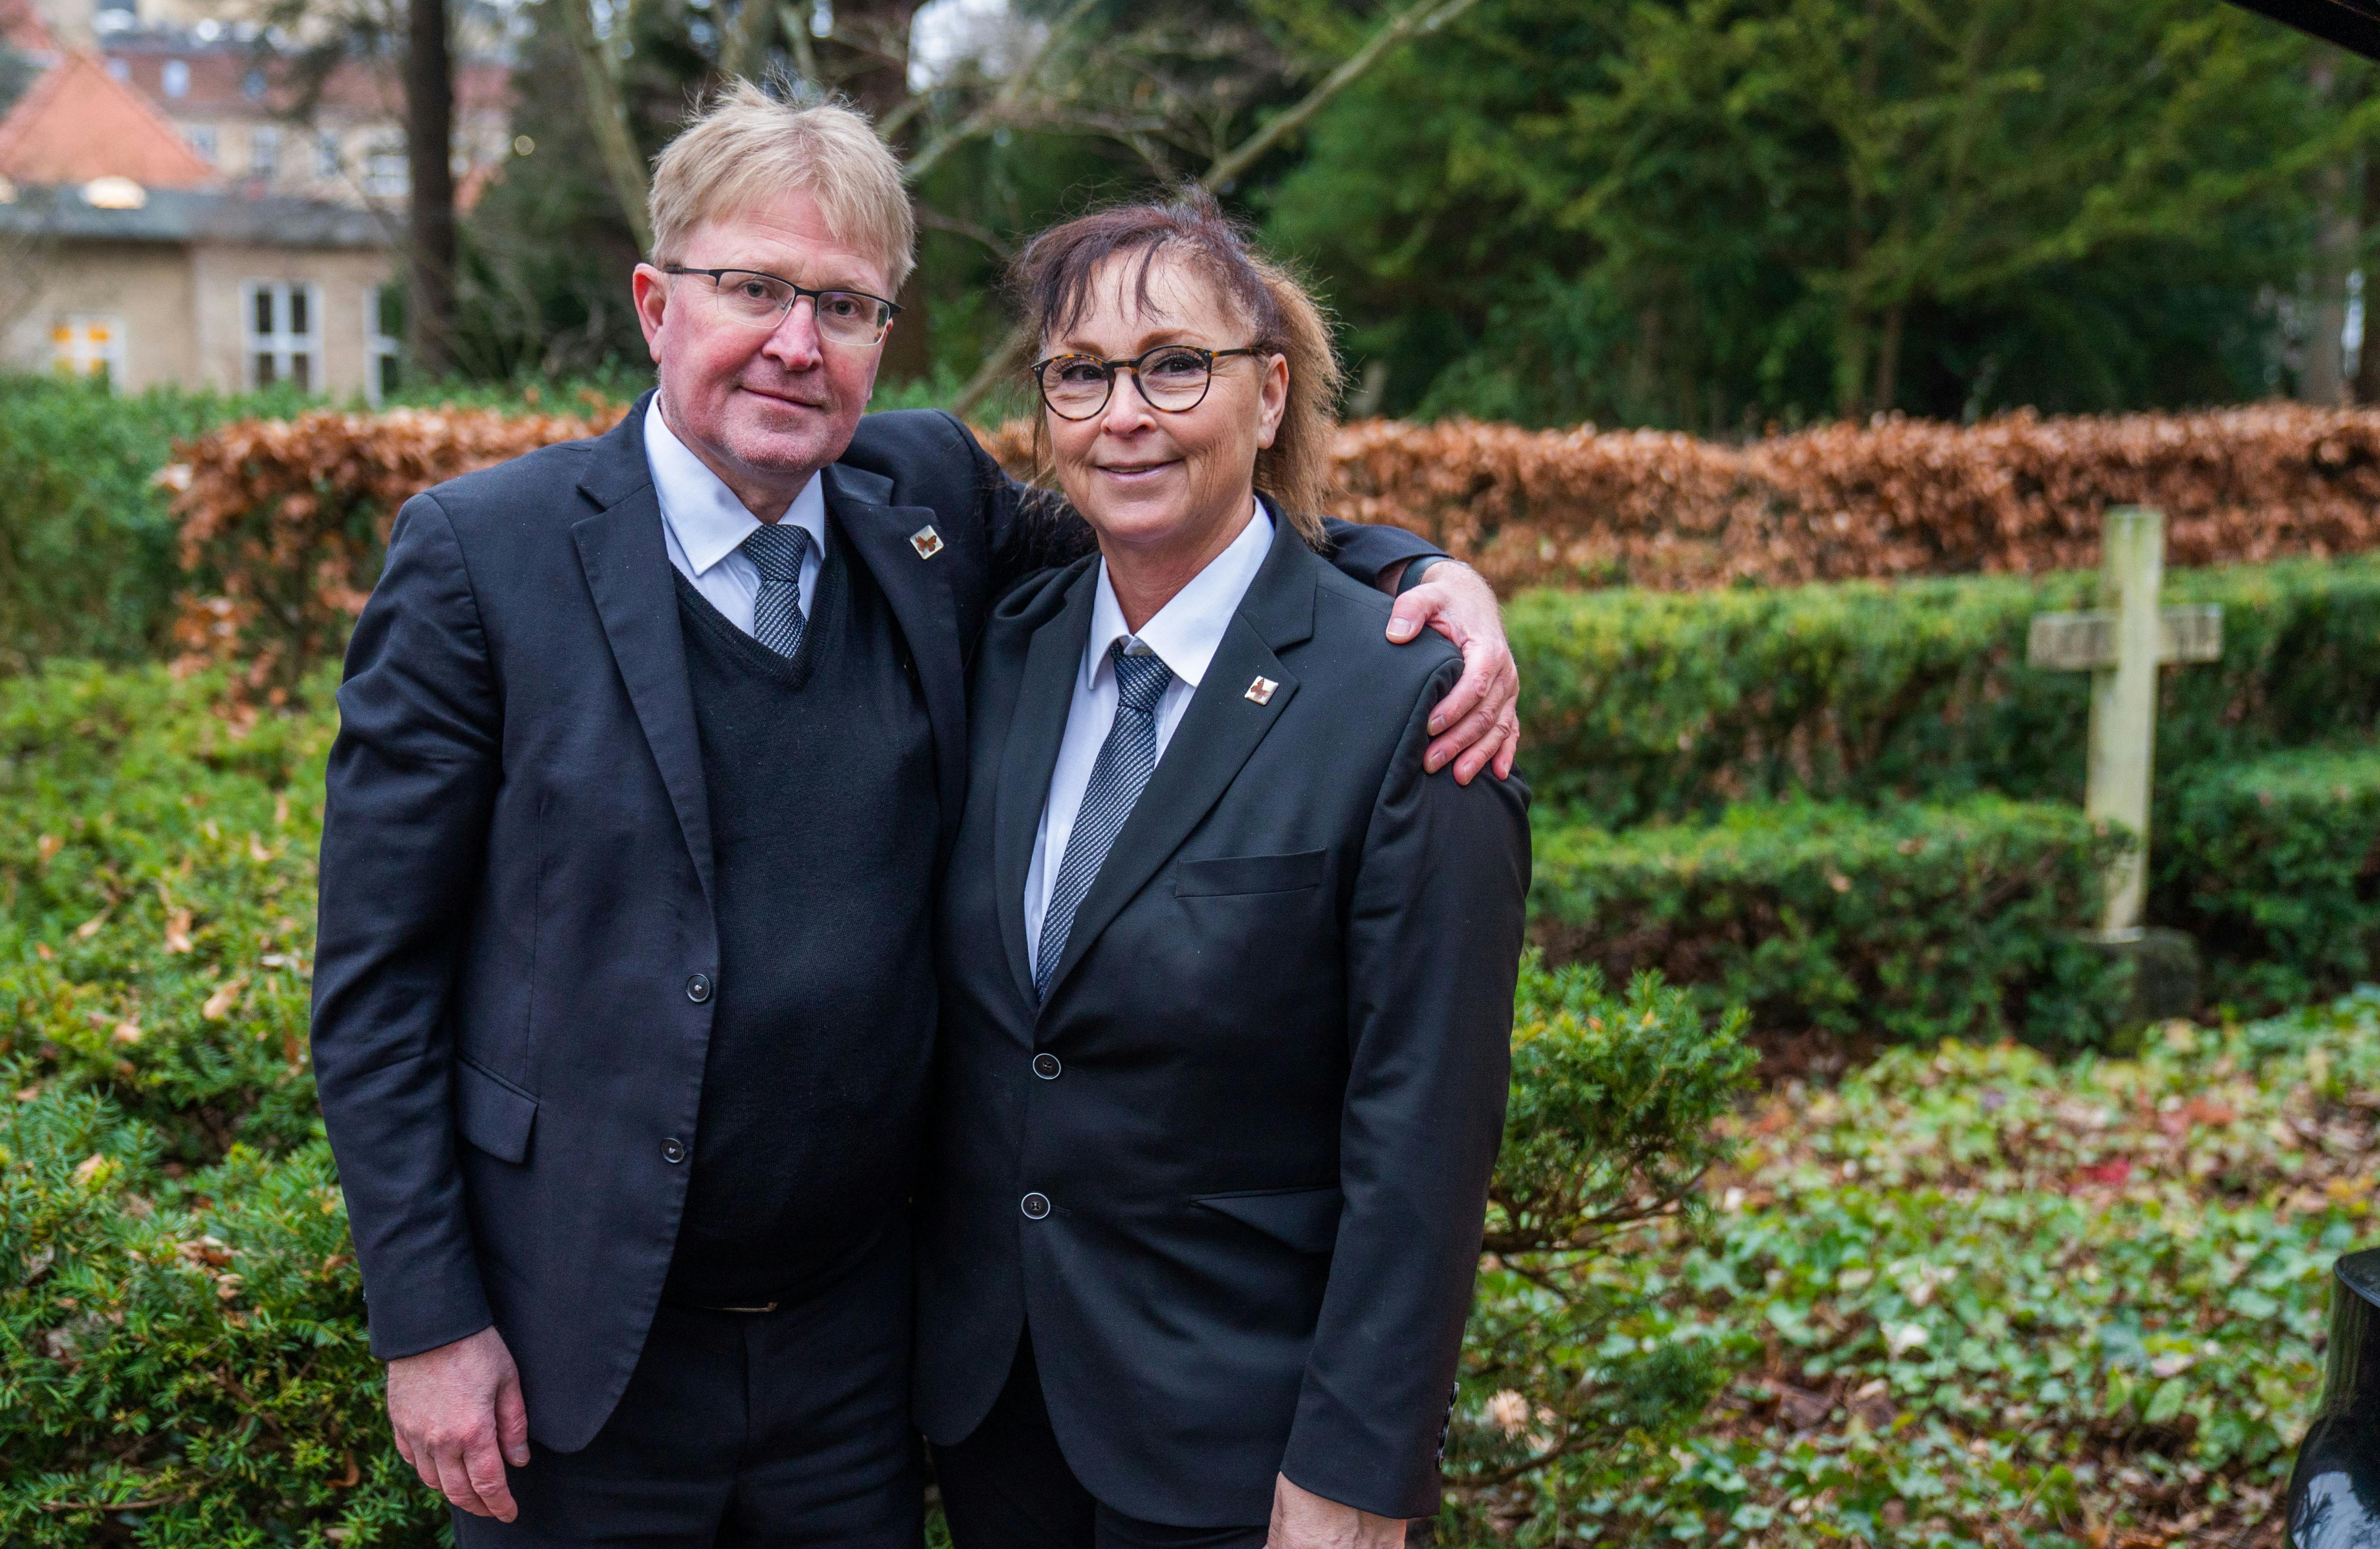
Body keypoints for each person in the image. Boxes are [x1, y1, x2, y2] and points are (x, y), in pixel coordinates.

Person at [311, 84, 1519, 1549]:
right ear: (654, 303)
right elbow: (376, 987)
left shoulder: (926, 510)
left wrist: (1416, 574)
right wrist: (427, 1320)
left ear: (889, 333)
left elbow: (1178, 514)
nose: (795, 343)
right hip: (578, 1358)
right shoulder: (479, 562)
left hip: (858, 1373)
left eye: (845, 303)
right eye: (751, 288)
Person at [915, 196, 1530, 1549]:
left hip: (1245, 1454)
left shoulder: (1406, 708)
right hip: (995, 1423)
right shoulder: (999, 649)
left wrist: (1358, 1473)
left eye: (1175, 364)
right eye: (1080, 374)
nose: (1123, 412)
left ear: (1269, 395)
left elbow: (1424, 1133)